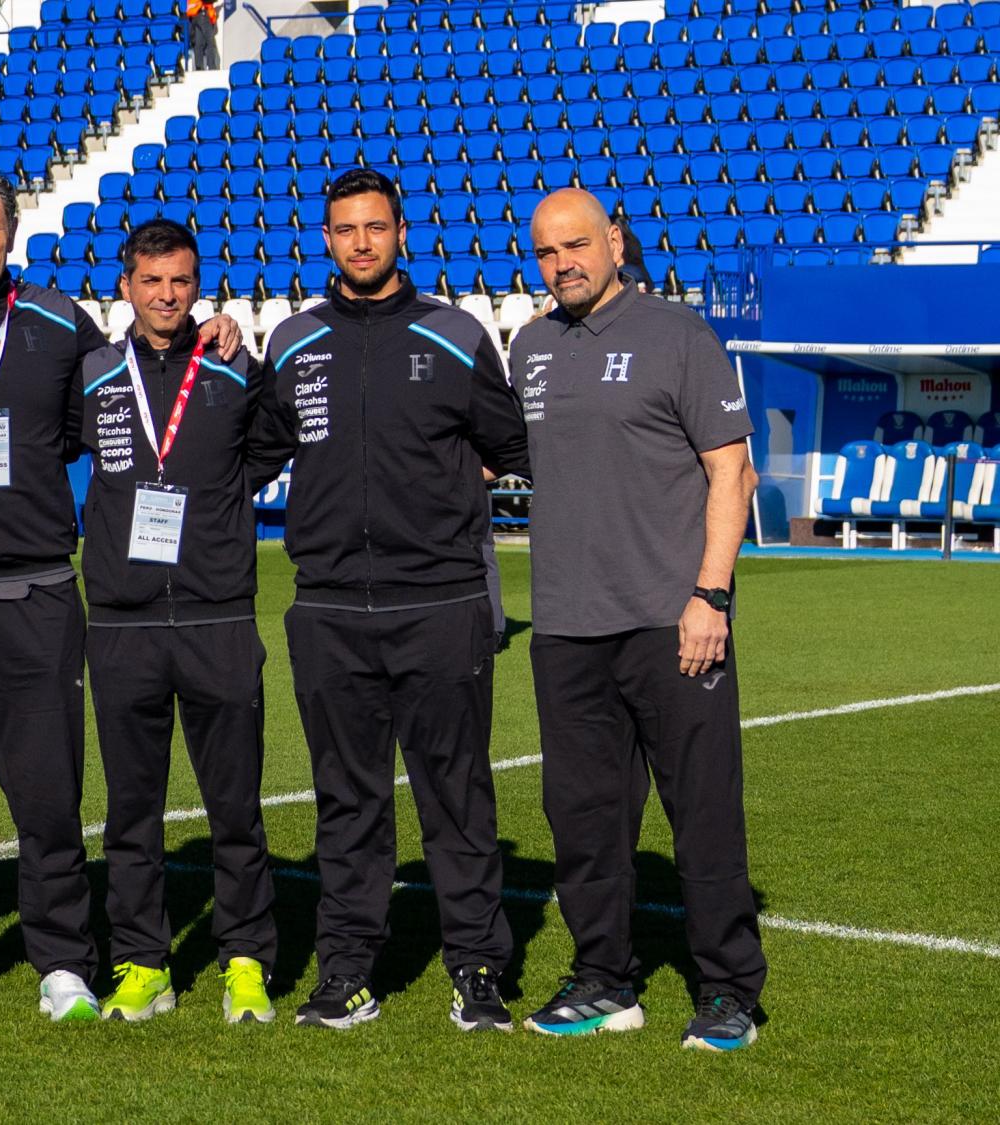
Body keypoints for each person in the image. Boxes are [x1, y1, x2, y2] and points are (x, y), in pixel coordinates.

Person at [0, 162, 243, 1024]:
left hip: (35, 593)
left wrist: (220, 330)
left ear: (12, 232)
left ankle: (62, 959)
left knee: (48, 795)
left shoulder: (63, 324)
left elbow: (127, 391)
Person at [257, 169, 530, 1032]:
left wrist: (440, 504)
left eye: (377, 227)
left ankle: (479, 967)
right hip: (330, 608)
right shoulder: (292, 341)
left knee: (457, 793)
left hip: (440, 605)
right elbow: (256, 450)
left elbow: (509, 440)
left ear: (401, 233)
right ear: (326, 239)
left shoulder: (455, 333)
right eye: (346, 229)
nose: (362, 242)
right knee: (346, 799)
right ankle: (345, 972)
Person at [511, 188, 765, 1052]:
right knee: (583, 817)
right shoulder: (530, 347)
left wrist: (712, 596)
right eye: (546, 253)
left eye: (577, 245)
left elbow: (732, 472)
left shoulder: (679, 334)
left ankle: (730, 990)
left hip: (673, 622)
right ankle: (603, 980)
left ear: (614, 241)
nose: (563, 264)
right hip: (566, 628)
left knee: (702, 815)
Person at [75, 220, 289, 1024]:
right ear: (126, 285)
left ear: (197, 285)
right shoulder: (93, 372)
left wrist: (215, 513)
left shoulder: (235, 365)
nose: (167, 296)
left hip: (218, 615)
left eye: (181, 281)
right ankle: (141, 962)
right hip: (123, 621)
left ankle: (244, 959)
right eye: (151, 281)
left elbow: (268, 445)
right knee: (133, 809)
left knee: (235, 806)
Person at [184, 0, 220, 70]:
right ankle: (212, 67)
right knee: (210, 42)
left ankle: (199, 67)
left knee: (199, 43)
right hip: (201, 14)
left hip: (193, 16)